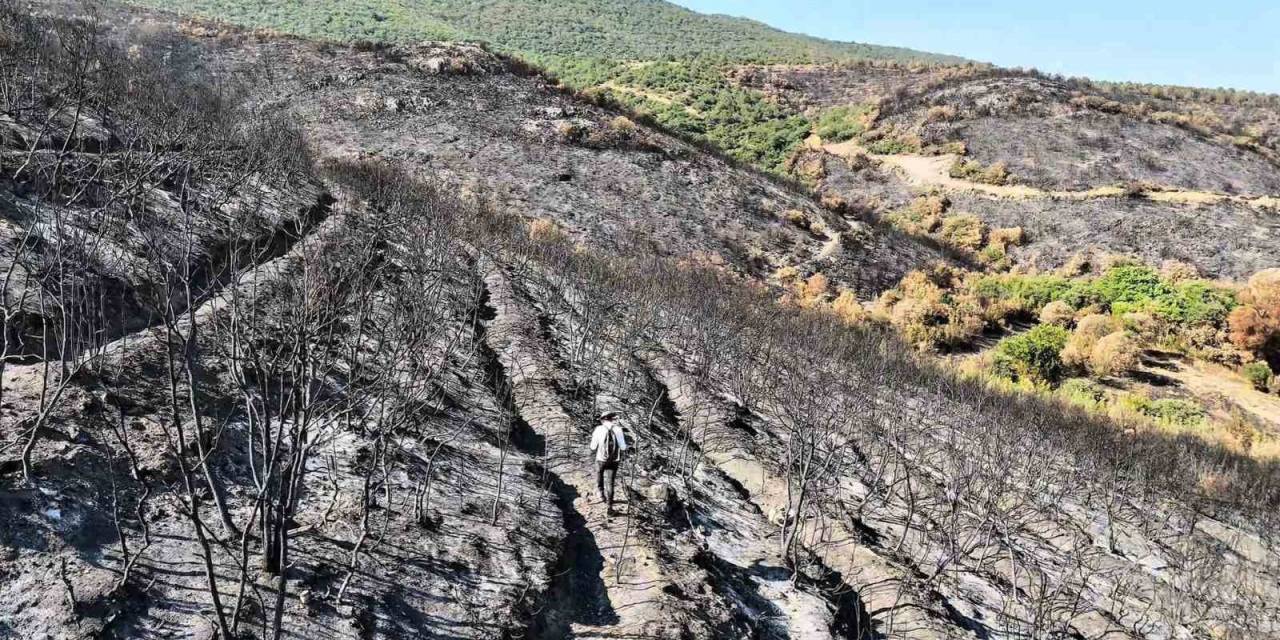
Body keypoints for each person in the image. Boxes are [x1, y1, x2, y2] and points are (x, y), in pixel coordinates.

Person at [588, 411, 627, 514]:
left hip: (601, 458)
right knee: (610, 482)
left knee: (599, 472)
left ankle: (600, 493)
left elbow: (593, 446)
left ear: (603, 419)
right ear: (611, 419)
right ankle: (609, 506)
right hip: (614, 460)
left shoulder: (598, 429)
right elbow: (623, 447)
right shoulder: (618, 429)